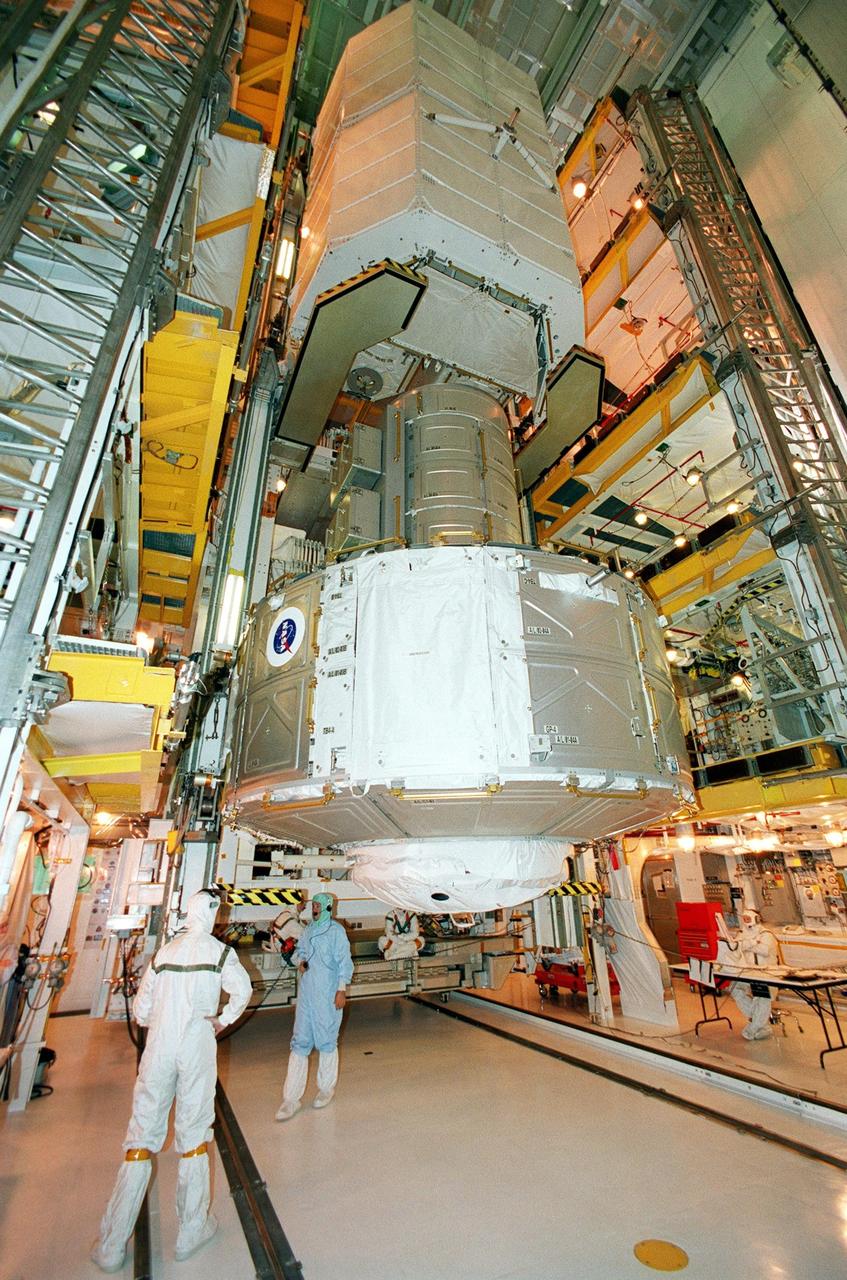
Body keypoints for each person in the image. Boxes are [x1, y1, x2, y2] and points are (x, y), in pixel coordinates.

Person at [92, 889, 252, 1273]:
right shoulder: (219, 953)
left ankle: (112, 1243)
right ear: (212, 916)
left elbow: (143, 1010)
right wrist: (222, 1020)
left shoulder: (164, 954)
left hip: (160, 1047)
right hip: (196, 1045)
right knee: (195, 1133)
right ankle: (190, 1231)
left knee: (141, 1136)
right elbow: (243, 990)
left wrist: (162, 1020)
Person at [275, 892, 353, 1120]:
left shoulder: (336, 931)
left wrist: (341, 989)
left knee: (327, 1040)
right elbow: (300, 951)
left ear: (328, 907)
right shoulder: (307, 930)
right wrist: (300, 961)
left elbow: (344, 962)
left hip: (327, 994)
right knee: (300, 1041)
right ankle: (290, 1099)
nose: (315, 908)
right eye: (314, 905)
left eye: (318, 905)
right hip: (307, 993)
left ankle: (326, 1088)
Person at [727, 907, 779, 1041]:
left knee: (762, 996)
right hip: (747, 972)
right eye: (744, 919)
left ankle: (754, 1028)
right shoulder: (742, 934)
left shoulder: (766, 934)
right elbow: (736, 948)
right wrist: (749, 943)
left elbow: (764, 950)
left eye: (748, 919)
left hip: (766, 973)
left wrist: (745, 944)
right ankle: (759, 1020)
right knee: (734, 989)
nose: (746, 921)